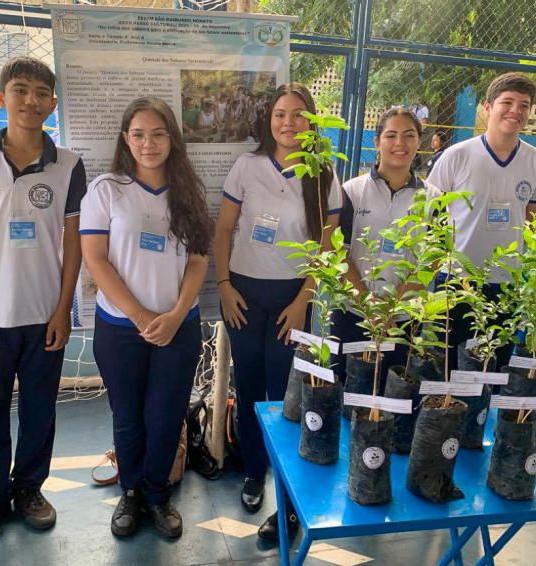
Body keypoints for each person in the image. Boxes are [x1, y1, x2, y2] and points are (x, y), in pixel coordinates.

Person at [0, 55, 87, 543]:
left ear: (53, 104)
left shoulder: (69, 165)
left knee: (39, 409)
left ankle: (29, 488)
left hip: (44, 316)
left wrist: (64, 309)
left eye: (40, 94)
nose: (30, 101)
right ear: (0, 97)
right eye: (20, 90)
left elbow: (73, 244)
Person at [214, 83, 342, 542]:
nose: (288, 123)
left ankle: (288, 489)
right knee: (249, 387)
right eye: (279, 114)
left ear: (313, 121)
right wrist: (225, 286)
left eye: (298, 115)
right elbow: (224, 230)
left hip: (293, 299)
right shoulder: (246, 167)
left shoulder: (324, 173)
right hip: (245, 295)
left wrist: (303, 299)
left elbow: (327, 248)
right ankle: (253, 472)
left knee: (285, 394)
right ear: (268, 120)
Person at [81, 97, 212, 539]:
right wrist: (138, 315)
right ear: (125, 139)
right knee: (128, 415)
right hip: (121, 329)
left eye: (157, 133)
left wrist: (176, 315)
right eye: (138, 134)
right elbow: (96, 260)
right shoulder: (105, 190)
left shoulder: (189, 193)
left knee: (166, 413)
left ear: (172, 138)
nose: (148, 143)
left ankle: (158, 494)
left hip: (179, 327)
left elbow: (198, 261)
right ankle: (131, 492)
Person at [427, 72, 536, 372]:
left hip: (507, 283)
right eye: (507, 102)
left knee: (493, 365)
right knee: (446, 362)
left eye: (524, 105)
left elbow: (535, 224)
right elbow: (431, 218)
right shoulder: (456, 156)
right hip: (455, 278)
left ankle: (480, 418)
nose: (515, 111)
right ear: (487, 107)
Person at [334, 107, 440, 389]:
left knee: (392, 395)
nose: (399, 144)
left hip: (403, 320)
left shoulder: (434, 198)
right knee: (346, 391)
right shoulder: (352, 191)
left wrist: (392, 309)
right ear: (377, 141)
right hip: (352, 314)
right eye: (391, 135)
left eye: (409, 135)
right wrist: (369, 305)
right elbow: (339, 252)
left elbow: (431, 262)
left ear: (419, 141)